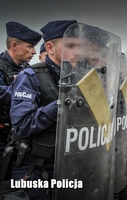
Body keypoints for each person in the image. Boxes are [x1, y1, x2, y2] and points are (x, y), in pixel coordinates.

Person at [9, 20, 79, 200]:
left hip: (69, 163)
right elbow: (22, 125)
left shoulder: (78, 79)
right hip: (35, 166)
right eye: (70, 46)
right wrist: (59, 104)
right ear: (50, 47)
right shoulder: (30, 77)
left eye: (79, 46)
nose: (77, 52)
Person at [0, 21, 41, 179]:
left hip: (19, 136)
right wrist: (21, 88)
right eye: (30, 46)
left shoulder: (27, 70)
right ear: (15, 45)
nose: (34, 52)